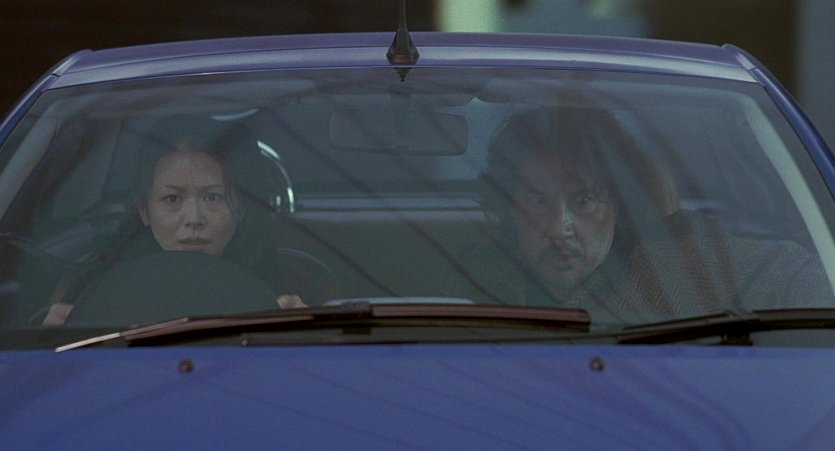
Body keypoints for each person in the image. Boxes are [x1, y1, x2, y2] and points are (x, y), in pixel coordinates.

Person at [456, 107, 833, 322]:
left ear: (617, 207)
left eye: (583, 200)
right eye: (539, 202)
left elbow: (803, 277)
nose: (559, 228)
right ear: (510, 207)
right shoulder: (471, 280)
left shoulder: (680, 264)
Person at [42, 116, 317, 325]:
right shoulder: (95, 291)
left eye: (213, 197)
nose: (194, 219)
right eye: (172, 199)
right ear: (144, 210)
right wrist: (53, 337)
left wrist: (304, 329)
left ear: (242, 208)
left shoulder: (289, 287)